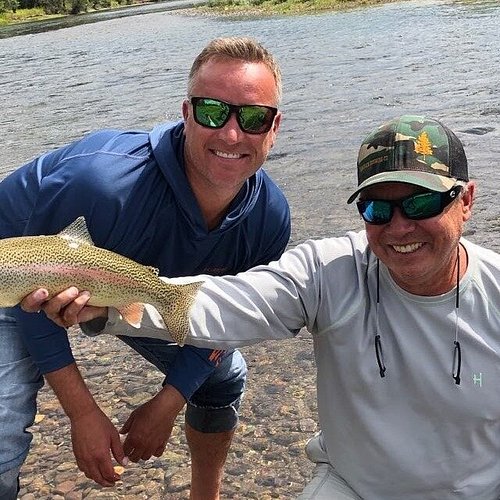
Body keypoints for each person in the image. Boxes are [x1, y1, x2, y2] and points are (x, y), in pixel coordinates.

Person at [32, 115, 500, 499]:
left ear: (467, 201)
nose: (399, 227)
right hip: (353, 487)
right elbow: (228, 302)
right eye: (377, 209)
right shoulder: (328, 271)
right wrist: (106, 307)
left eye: (421, 203)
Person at [0, 36, 290, 499]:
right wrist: (83, 414)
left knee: (224, 375)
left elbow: (229, 322)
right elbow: (32, 309)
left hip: (123, 280)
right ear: (186, 112)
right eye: (213, 112)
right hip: (13, 275)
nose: (232, 135)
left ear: (275, 128)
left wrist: (168, 402)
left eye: (253, 118)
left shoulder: (269, 218)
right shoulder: (103, 184)